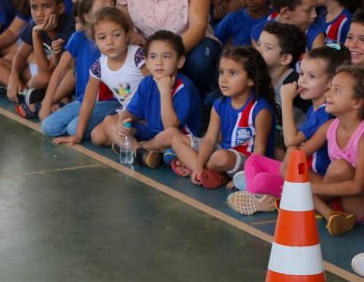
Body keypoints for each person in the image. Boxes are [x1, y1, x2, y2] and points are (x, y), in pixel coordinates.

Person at [228, 46, 349, 214]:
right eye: (301, 73)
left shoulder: (324, 113)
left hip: (315, 180)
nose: (302, 81)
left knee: (262, 180)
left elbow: (290, 141)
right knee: (254, 161)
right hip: (302, 172)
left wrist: (286, 100)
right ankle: (260, 195)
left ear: (330, 84)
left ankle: (262, 195)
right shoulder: (314, 109)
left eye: (311, 76)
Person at [170, 46, 276, 188]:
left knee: (220, 157)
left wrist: (249, 177)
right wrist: (199, 166)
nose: (224, 79)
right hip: (222, 152)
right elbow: (209, 140)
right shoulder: (219, 104)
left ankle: (200, 169)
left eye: (232, 73)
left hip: (247, 161)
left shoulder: (260, 109)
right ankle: (203, 172)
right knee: (177, 140)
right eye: (221, 72)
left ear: (251, 80)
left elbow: (260, 150)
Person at [56, 7, 148, 147]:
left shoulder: (137, 56)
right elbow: (88, 102)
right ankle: (141, 143)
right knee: (97, 136)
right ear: (95, 41)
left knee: (108, 121)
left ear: (126, 35)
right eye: (102, 37)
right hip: (129, 118)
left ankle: (137, 151)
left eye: (116, 35)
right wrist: (78, 135)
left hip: (148, 112)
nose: (110, 42)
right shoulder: (98, 67)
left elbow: (155, 85)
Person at [112, 30, 202, 168]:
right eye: (153, 57)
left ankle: (140, 148)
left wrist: (165, 91)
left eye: (166, 57)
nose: (158, 62)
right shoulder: (147, 82)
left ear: (180, 61)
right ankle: (144, 153)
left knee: (171, 134)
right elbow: (130, 112)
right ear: (147, 62)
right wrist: (121, 122)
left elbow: (170, 127)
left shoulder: (185, 88)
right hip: (152, 132)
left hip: (178, 138)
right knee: (108, 124)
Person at [40, 0, 118, 136]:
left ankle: (108, 123)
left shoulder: (115, 40)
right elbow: (59, 71)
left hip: (109, 102)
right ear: (87, 17)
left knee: (73, 128)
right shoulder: (79, 37)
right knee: (48, 127)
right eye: (103, 5)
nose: (110, 8)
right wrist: (46, 102)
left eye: (112, 4)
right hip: (82, 101)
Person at [0, 0, 76, 103]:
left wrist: (36, 34)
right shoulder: (35, 23)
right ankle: (23, 91)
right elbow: (21, 55)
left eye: (46, 6)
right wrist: (13, 78)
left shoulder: (70, 28)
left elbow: (45, 70)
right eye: (34, 7)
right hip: (40, 73)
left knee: (42, 78)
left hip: (59, 77)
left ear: (60, 8)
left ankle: (19, 91)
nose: (39, 13)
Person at [301, 64, 364, 235]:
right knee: (297, 178)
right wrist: (292, 173)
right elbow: (297, 157)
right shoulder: (329, 127)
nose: (327, 94)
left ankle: (322, 208)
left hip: (357, 206)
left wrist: (313, 189)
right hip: (336, 197)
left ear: (357, 102)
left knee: (340, 167)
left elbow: (358, 186)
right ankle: (330, 215)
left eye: (337, 90)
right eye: (329, 88)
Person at [249, 0, 319, 47]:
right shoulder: (259, 32)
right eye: (308, 10)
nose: (315, 15)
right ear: (285, 12)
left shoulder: (315, 34)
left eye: (315, 8)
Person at [255, 21, 307, 110]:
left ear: (285, 59)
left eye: (268, 48)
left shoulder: (297, 85)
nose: (258, 50)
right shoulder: (256, 77)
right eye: (259, 44)